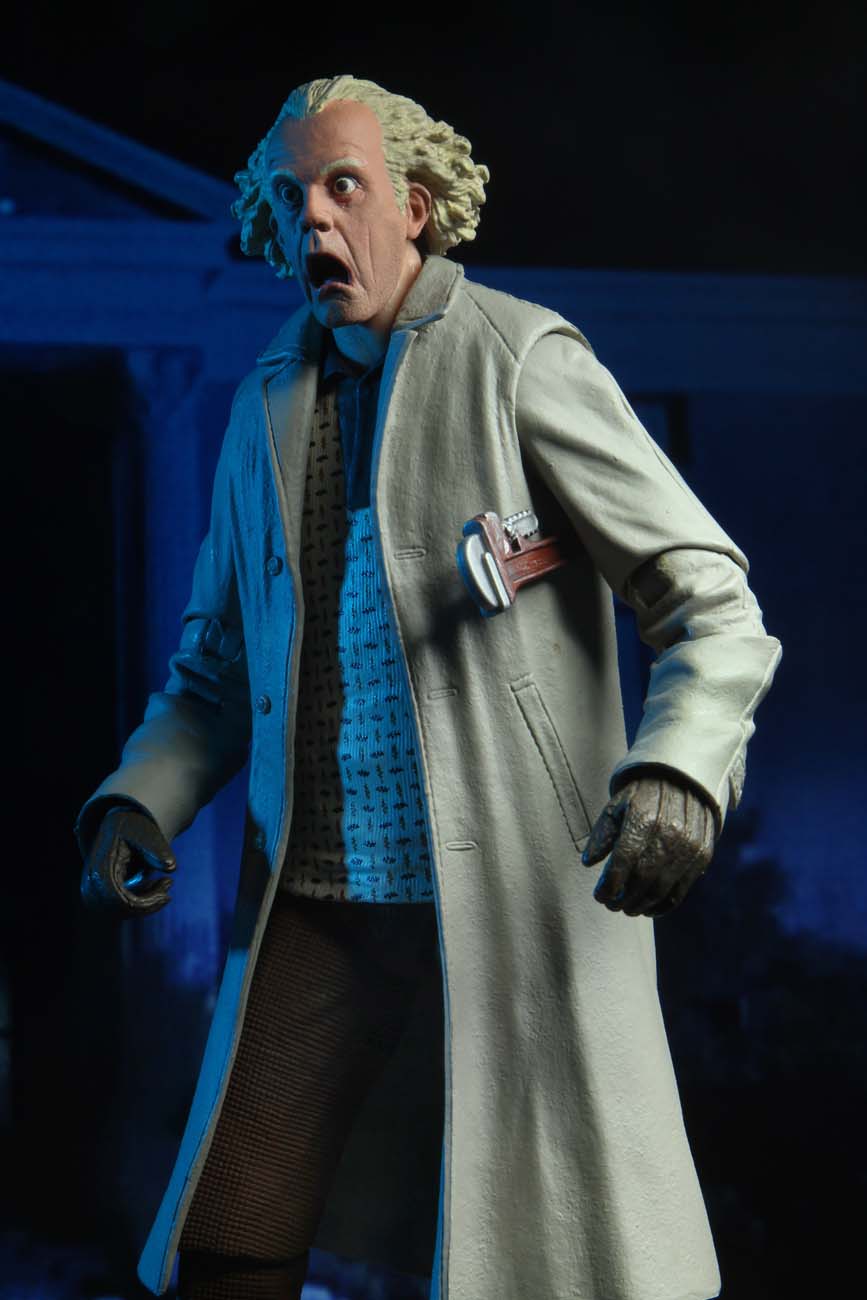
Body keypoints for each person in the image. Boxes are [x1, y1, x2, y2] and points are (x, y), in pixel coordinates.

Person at [78, 75, 781, 1300]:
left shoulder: (518, 358)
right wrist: (141, 796)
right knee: (230, 1228)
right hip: (319, 887)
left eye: (342, 186)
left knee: (544, 1253)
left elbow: (710, 599)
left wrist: (679, 766)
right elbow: (215, 666)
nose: (314, 218)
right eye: (289, 197)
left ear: (414, 206)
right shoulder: (261, 407)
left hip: (507, 881)